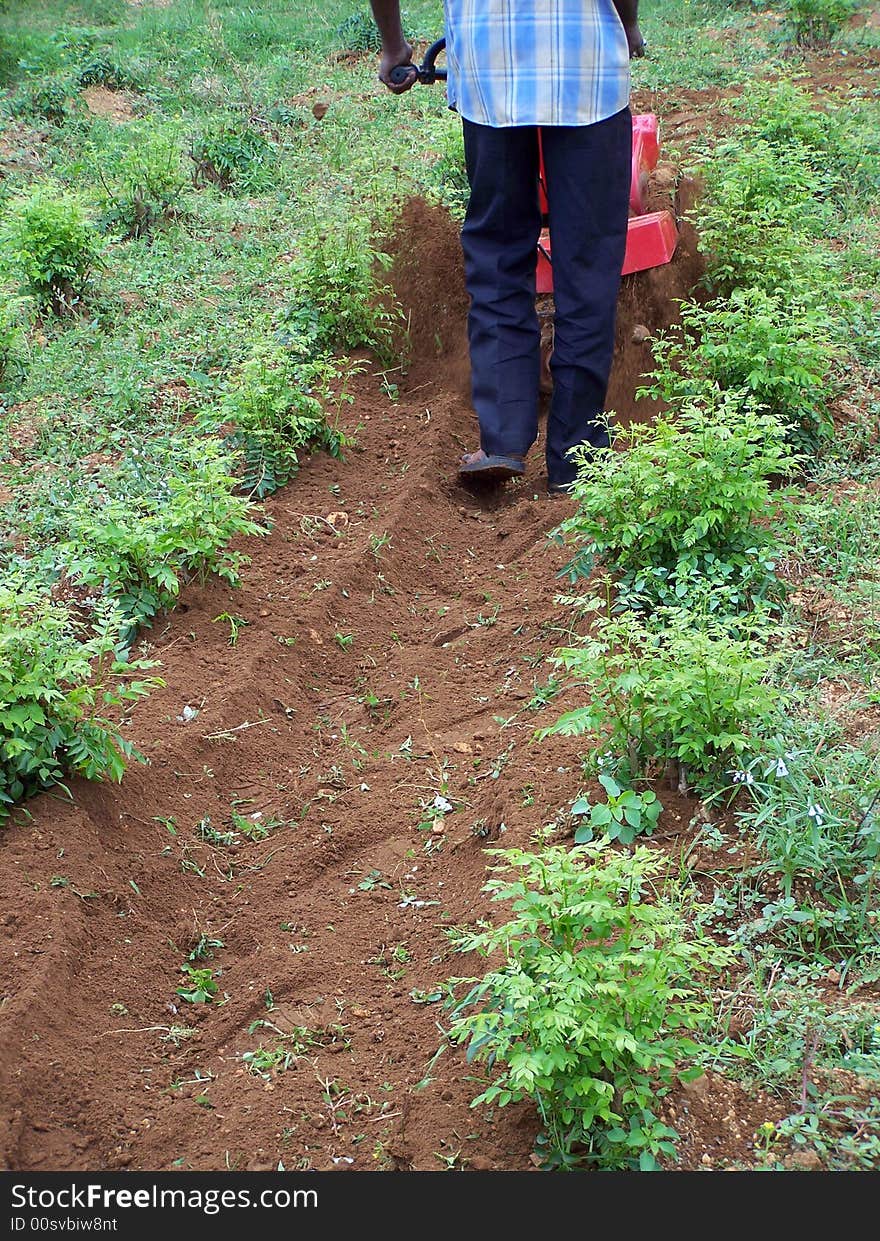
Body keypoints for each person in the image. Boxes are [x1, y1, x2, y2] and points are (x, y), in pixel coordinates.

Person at [369, 0, 644, 494]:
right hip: (587, 67)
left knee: (498, 250)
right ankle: (577, 457)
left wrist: (394, 46)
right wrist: (627, 24)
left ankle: (501, 440)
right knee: (587, 260)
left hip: (489, 70)